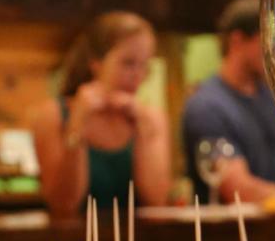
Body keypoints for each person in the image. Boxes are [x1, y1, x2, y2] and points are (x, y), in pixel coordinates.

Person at [181, 0, 275, 203]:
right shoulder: (206, 107)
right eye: (274, 40)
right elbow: (238, 191)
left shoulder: (270, 97)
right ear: (237, 40)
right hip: (230, 233)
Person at [32, 12, 171, 215]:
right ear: (96, 64)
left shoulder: (152, 118)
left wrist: (143, 130)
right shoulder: (52, 115)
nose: (138, 76)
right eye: (128, 63)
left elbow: (157, 201)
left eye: (145, 66)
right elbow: (63, 205)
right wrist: (77, 124)